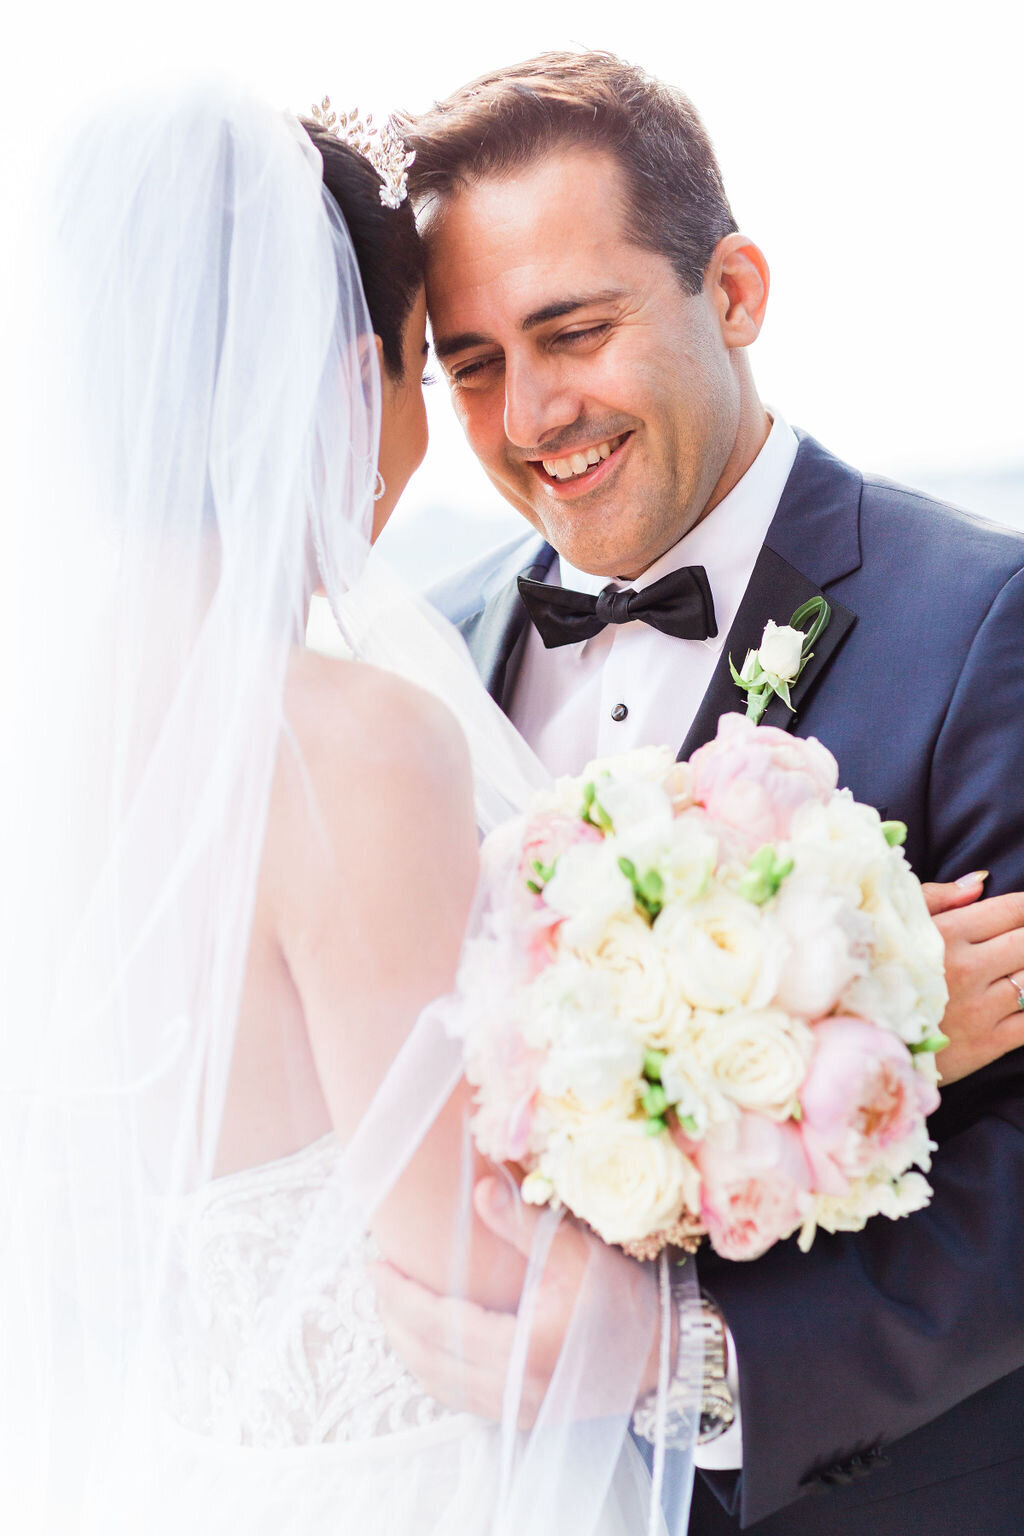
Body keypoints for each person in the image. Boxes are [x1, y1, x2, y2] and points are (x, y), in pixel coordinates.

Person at [370, 50, 1024, 1535]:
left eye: (574, 331)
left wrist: (697, 1361)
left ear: (732, 293)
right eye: (471, 363)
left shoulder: (988, 620)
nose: (532, 415)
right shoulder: (423, 673)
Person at [0, 85, 662, 1536]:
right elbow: (476, 1274)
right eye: (437, 367)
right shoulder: (348, 744)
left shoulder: (35, 729)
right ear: (358, 384)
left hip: (173, 1476)